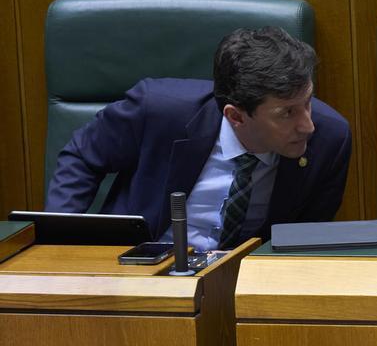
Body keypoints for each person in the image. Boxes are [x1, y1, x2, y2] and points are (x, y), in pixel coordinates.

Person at [47, 26, 352, 250]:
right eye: (287, 113)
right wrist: (60, 245)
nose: (307, 125)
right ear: (236, 116)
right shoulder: (157, 108)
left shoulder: (330, 139)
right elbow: (82, 157)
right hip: (141, 270)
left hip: (241, 287)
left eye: (308, 101)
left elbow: (304, 242)